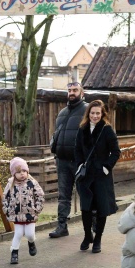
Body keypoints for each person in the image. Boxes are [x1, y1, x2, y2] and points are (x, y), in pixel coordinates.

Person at [74, 99, 121, 253]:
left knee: (102, 208)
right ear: (88, 113)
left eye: (98, 113)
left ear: (102, 114)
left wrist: (106, 167)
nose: (95, 116)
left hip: (101, 176)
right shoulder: (82, 129)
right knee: (86, 208)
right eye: (92, 113)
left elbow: (115, 152)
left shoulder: (107, 130)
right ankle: (88, 235)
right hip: (86, 176)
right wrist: (80, 165)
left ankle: (98, 239)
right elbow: (78, 150)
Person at [49, 81, 89, 238]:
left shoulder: (87, 111)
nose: (72, 93)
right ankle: (62, 226)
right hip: (63, 161)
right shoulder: (62, 113)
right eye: (69, 90)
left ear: (82, 93)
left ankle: (92, 226)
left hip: (80, 162)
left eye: (75, 90)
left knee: (85, 194)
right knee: (63, 196)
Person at [2, 157, 45, 264]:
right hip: (17, 214)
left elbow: (40, 195)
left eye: (24, 171)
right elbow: (5, 198)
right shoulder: (10, 184)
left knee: (30, 234)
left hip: (30, 214)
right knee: (19, 233)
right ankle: (14, 252)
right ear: (13, 173)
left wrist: (37, 208)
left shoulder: (32, 182)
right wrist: (7, 209)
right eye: (19, 172)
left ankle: (31, 242)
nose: (22, 174)